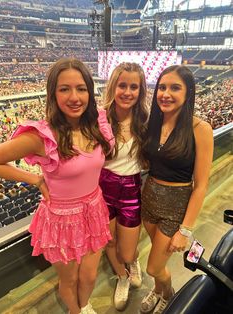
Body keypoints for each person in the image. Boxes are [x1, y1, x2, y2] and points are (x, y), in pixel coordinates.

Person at [0, 58, 114, 314]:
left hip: (93, 210)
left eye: (81, 88)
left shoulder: (97, 125)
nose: (75, 97)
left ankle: (84, 305)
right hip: (61, 220)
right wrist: (34, 179)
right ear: (53, 93)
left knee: (90, 276)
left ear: (89, 91)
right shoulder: (40, 136)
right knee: (69, 279)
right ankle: (77, 311)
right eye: (64, 89)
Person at [140, 65, 213, 314]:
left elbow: (201, 184)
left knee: (153, 267)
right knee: (158, 261)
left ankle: (167, 292)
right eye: (162, 87)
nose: (166, 93)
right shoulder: (153, 123)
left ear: (188, 92)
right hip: (148, 200)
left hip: (175, 207)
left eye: (174, 88)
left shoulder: (200, 129)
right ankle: (159, 290)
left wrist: (185, 230)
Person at [99, 62, 149, 310]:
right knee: (108, 242)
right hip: (102, 190)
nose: (127, 92)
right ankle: (122, 277)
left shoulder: (147, 120)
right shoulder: (99, 118)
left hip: (131, 191)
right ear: (113, 87)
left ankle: (132, 263)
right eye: (122, 85)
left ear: (141, 91)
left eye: (134, 86)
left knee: (128, 251)